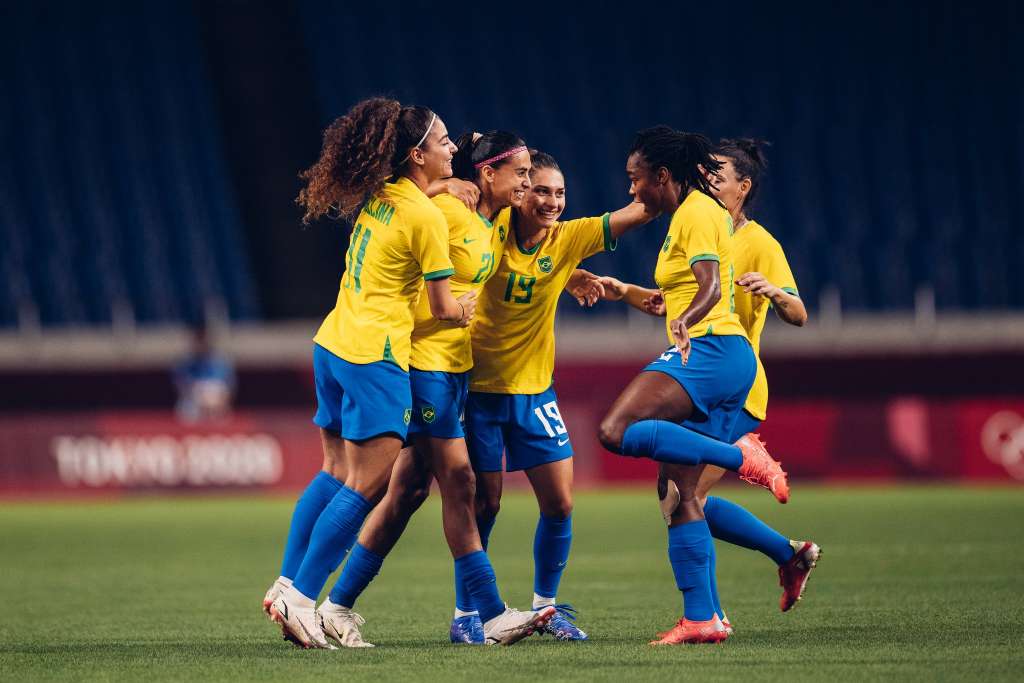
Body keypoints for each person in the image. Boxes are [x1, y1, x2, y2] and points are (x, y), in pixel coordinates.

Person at [320, 131, 558, 646]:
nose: (529, 181)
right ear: (488, 174)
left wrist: (576, 276)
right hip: (423, 362)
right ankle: (490, 613)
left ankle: (336, 605)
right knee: (460, 480)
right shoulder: (448, 210)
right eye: (520, 173)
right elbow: (407, 206)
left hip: (456, 368)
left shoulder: (492, 218)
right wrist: (441, 187)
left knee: (404, 492)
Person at [264, 97, 478, 649]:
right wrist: (471, 306)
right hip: (376, 354)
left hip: (333, 341)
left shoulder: (382, 196)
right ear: (416, 154)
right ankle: (302, 599)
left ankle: (286, 584)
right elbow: (441, 308)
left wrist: (439, 188)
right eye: (443, 140)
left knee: (335, 470)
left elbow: (412, 204)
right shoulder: (427, 220)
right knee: (369, 482)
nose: (453, 147)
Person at [584, 138, 820, 631]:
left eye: (720, 176)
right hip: (707, 363)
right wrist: (624, 290)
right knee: (681, 496)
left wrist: (775, 293)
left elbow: (794, 312)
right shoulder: (699, 221)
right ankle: (743, 588)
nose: (711, 181)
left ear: (743, 186)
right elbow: (675, 299)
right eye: (708, 174)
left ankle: (714, 607)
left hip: (729, 375)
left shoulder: (753, 240)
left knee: (679, 496)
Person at [172, 323, 235, 423]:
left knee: (221, 413)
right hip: (194, 403)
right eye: (199, 340)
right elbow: (182, 388)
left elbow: (229, 389)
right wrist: (200, 397)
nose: (202, 343)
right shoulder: (185, 363)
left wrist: (214, 400)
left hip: (216, 404)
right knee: (185, 408)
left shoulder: (221, 362)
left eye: (204, 339)